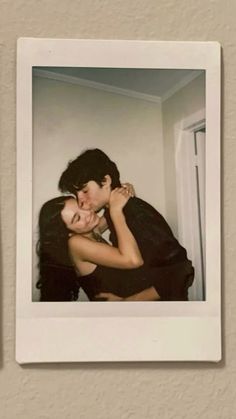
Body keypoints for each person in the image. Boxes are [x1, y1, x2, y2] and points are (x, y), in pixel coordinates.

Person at [58, 148, 194, 301]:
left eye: (84, 190)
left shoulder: (135, 213)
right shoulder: (115, 213)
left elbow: (181, 270)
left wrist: (128, 302)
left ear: (105, 181)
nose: (81, 203)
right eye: (77, 195)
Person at [37, 189, 157, 301]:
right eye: (77, 218)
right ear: (67, 233)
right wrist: (116, 211)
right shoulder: (76, 243)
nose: (87, 213)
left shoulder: (91, 231)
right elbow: (133, 260)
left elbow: (110, 209)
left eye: (81, 206)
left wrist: (124, 192)